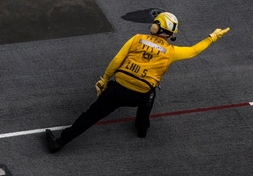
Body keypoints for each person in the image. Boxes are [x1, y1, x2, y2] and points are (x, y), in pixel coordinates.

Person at [45, 12, 230, 152]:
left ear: (158, 28)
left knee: (90, 115)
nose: (153, 24)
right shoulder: (171, 52)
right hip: (140, 95)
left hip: (117, 89)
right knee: (151, 93)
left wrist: (104, 79)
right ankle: (142, 128)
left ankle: (60, 142)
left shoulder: (137, 39)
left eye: (155, 22)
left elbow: (117, 61)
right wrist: (213, 37)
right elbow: (194, 50)